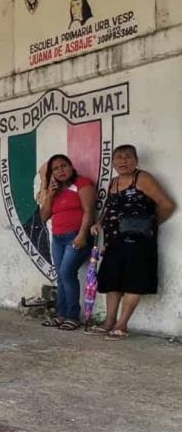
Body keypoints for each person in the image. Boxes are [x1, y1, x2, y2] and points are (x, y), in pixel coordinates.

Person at [89, 145, 175, 339]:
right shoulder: (113, 182)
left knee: (133, 282)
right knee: (112, 282)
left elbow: (167, 205)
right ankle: (109, 321)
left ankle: (122, 324)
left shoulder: (142, 178)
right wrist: (99, 223)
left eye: (128, 157)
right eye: (118, 158)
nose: (123, 161)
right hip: (114, 241)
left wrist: (149, 225)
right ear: (112, 163)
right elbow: (109, 208)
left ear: (136, 160)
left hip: (139, 243)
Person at [38, 154, 96, 329]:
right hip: (57, 237)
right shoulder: (55, 191)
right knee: (61, 276)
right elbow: (44, 216)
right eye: (55, 169)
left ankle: (72, 316)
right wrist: (49, 194)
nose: (60, 171)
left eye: (64, 166)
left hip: (76, 235)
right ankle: (61, 314)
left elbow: (88, 211)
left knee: (67, 274)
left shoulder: (82, 184)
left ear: (71, 167)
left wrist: (82, 235)